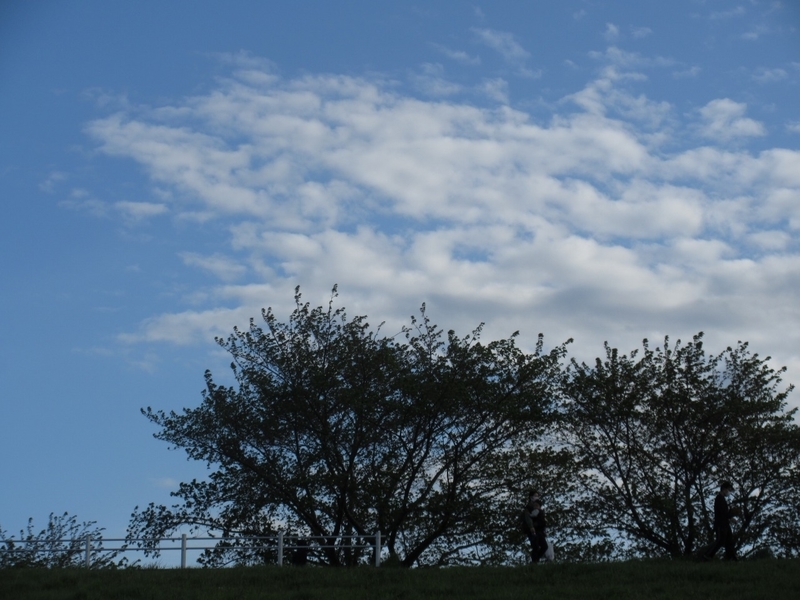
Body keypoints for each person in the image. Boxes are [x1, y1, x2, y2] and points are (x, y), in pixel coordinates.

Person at [702, 481, 739, 561]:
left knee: (729, 541)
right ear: (724, 489)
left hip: (725, 524)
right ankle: (707, 555)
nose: (729, 492)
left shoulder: (722, 499)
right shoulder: (719, 499)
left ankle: (732, 558)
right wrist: (730, 518)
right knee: (720, 541)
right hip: (720, 524)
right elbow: (722, 512)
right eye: (728, 490)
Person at [520, 490, 548, 562]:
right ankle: (534, 562)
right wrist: (531, 527)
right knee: (535, 547)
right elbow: (527, 518)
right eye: (535, 495)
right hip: (533, 530)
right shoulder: (528, 508)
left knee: (544, 546)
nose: (536, 497)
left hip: (540, 529)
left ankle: (535, 560)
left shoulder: (539, 506)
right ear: (531, 497)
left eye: (537, 496)